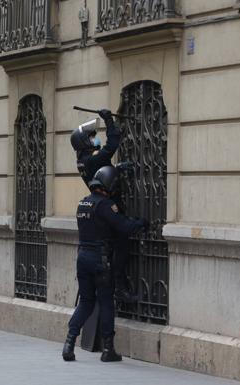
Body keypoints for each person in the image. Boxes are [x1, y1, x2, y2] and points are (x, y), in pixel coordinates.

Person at [62, 166, 146, 362]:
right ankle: (108, 349)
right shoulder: (105, 205)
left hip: (82, 258)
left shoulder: (83, 203)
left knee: (85, 302)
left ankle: (69, 343)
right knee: (107, 301)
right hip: (100, 260)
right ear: (109, 185)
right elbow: (124, 227)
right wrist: (141, 223)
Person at [70, 109, 137, 303]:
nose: (94, 139)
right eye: (92, 137)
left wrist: (117, 169)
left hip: (100, 207)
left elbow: (101, 171)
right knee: (122, 243)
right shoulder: (92, 158)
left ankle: (118, 287)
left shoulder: (84, 160)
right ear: (84, 142)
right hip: (107, 204)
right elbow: (112, 144)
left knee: (115, 247)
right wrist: (109, 120)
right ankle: (120, 289)